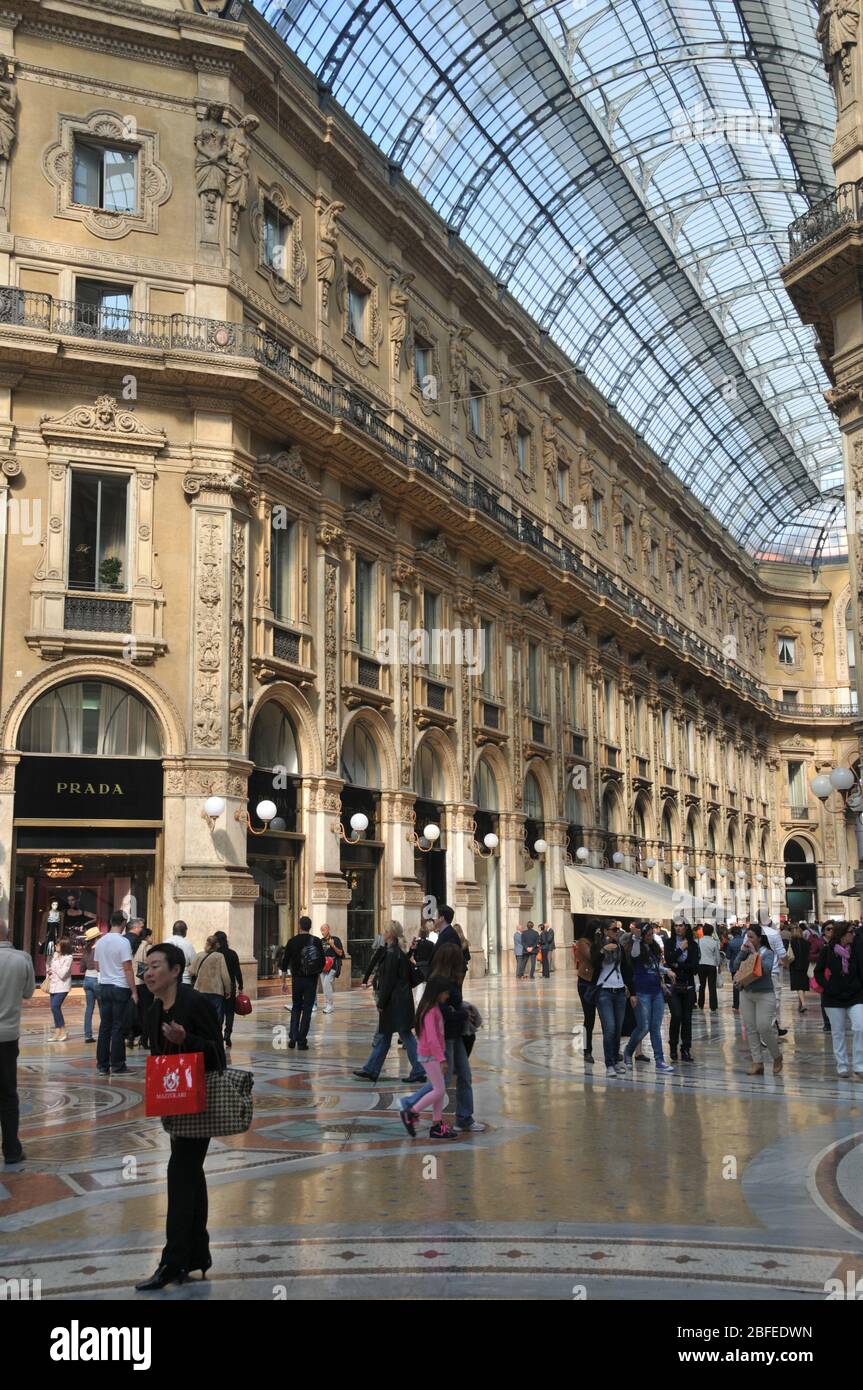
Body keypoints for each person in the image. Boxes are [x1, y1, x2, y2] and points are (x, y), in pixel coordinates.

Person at [135, 942, 226, 1291]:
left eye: (156, 966)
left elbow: (217, 1054)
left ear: (176, 971)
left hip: (198, 1104)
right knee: (191, 1176)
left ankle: (172, 1263)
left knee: (179, 1176)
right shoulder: (155, 1006)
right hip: (175, 1105)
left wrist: (186, 1038)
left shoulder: (194, 1003)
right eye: (147, 967)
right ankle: (197, 1255)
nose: (149, 972)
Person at [401, 941, 475, 1131]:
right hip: (437, 1049)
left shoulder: (441, 992)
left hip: (446, 1042)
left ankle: (442, 1122)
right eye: (445, 994)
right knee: (440, 1086)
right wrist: (462, 1013)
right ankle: (411, 1109)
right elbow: (433, 1035)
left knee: (445, 1084)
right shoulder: (434, 1004)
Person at [354, 922, 425, 1083]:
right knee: (387, 1036)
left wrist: (381, 1003)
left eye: (385, 931)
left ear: (390, 934)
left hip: (395, 1003)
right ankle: (371, 1069)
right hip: (400, 1001)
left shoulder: (392, 953)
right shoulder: (395, 951)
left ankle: (418, 1069)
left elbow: (389, 981)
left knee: (402, 1036)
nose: (383, 933)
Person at [398, 975, 458, 1140]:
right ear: (437, 992)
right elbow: (431, 1038)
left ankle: (436, 1125)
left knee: (438, 1089)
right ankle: (411, 1112)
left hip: (432, 1055)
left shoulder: (433, 1007)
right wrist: (442, 1059)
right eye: (445, 993)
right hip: (429, 1056)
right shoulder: (430, 1011)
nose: (447, 996)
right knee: (439, 1090)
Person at [0, 921, 35, 1166]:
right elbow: (29, 992)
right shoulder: (21, 958)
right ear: (7, 933)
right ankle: (12, 1150)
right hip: (7, 1036)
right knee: (8, 1094)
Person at [624, 922, 675, 1073]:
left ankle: (659, 1060)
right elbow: (634, 955)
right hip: (642, 991)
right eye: (647, 934)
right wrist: (638, 939)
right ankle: (628, 1051)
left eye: (651, 934)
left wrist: (666, 972)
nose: (650, 937)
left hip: (656, 991)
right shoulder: (637, 947)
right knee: (643, 1026)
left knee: (655, 1027)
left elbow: (654, 966)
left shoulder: (653, 948)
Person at [815, 923, 863, 1079]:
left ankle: (859, 1065)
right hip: (833, 997)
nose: (853, 935)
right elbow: (818, 972)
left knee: (860, 1027)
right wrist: (828, 987)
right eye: (851, 932)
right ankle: (842, 1065)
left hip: (854, 995)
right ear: (843, 934)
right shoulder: (827, 951)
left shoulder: (855, 950)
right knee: (838, 1032)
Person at [94, 911, 138, 1076]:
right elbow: (127, 968)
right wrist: (134, 991)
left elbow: (97, 966)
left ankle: (102, 1065)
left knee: (105, 1026)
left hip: (104, 986)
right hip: (120, 987)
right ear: (124, 922)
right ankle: (118, 1065)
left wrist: (107, 970)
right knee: (118, 1027)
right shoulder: (123, 942)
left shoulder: (101, 941)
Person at [735, 924, 782, 1076]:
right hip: (746, 992)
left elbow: (766, 970)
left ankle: (776, 1056)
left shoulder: (768, 953)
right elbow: (735, 966)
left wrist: (755, 954)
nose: (748, 939)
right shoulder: (745, 952)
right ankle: (757, 1062)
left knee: (764, 1027)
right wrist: (742, 953)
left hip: (764, 993)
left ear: (759, 939)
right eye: (747, 936)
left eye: (751, 937)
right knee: (751, 1028)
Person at [590, 921, 635, 1078]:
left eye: (617, 929)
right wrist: (603, 951)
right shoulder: (597, 946)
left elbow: (626, 969)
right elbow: (593, 963)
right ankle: (609, 1064)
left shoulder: (620, 946)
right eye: (614, 929)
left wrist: (631, 990)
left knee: (617, 1030)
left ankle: (615, 1061)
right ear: (605, 931)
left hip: (620, 991)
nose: (617, 931)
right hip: (604, 992)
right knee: (609, 1028)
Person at [279, 916, 324, 1049]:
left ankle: (293, 1037)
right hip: (311, 979)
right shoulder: (316, 941)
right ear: (309, 926)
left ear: (299, 926)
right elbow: (321, 961)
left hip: (297, 980)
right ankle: (302, 1040)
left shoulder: (292, 941)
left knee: (296, 1007)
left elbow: (284, 963)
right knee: (307, 1009)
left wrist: (283, 982)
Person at [666, 922, 699, 1062]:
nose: (678, 928)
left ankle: (685, 1048)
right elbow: (668, 960)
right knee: (676, 1015)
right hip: (673, 985)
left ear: (686, 927)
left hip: (688, 985)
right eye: (676, 926)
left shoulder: (693, 945)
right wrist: (680, 949)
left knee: (687, 1018)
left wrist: (678, 965)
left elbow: (694, 967)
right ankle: (673, 1046)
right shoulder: (669, 942)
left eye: (681, 926)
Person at [189, 936, 232, 1028]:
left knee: (201, 1016)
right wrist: (228, 990)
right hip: (216, 991)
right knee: (217, 1018)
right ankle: (215, 1036)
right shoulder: (219, 956)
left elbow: (191, 971)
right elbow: (225, 976)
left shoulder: (199, 955)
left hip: (200, 990)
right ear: (217, 945)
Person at [212, 931, 243, 1045]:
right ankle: (228, 1034)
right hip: (230, 985)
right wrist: (241, 986)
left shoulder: (214, 955)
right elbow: (237, 972)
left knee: (218, 1010)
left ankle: (218, 1033)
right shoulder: (232, 954)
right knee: (229, 1012)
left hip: (217, 986)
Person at [572, 922, 597, 1061]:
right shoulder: (583, 942)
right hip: (586, 981)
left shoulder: (602, 942)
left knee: (608, 1019)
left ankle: (613, 1050)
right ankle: (587, 1050)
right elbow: (592, 958)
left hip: (600, 982)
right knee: (589, 1017)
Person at [762, 918, 788, 1035]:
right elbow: (782, 953)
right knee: (774, 1002)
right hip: (772, 972)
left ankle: (775, 1028)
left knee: (762, 1002)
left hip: (757, 972)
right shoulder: (774, 934)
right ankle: (768, 1032)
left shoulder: (751, 933)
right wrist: (786, 963)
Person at [45, 937, 73, 1042]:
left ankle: (63, 1030)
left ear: (64, 946)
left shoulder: (69, 958)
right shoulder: (54, 956)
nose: (56, 946)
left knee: (55, 1006)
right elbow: (49, 968)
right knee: (53, 1008)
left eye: (58, 944)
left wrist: (55, 965)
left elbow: (62, 974)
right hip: (53, 985)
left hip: (62, 986)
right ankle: (57, 1032)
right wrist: (49, 970)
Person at [81, 925, 101, 1043]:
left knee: (89, 1008)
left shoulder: (86, 950)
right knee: (103, 1008)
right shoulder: (99, 949)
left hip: (87, 980)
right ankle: (105, 1033)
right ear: (97, 938)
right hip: (96, 979)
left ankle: (87, 1035)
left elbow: (81, 968)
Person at [319, 922, 344, 1013]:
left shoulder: (335, 939)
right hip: (323, 967)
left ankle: (330, 1005)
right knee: (324, 985)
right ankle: (327, 1004)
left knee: (327, 984)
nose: (322, 932)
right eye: (321, 930)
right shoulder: (320, 941)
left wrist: (333, 945)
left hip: (333, 966)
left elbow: (341, 953)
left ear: (328, 929)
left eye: (324, 930)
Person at [696, 923, 721, 1012]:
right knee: (712, 986)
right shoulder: (714, 942)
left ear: (703, 931)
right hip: (711, 966)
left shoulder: (699, 941)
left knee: (702, 986)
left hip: (701, 965)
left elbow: (697, 954)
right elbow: (717, 956)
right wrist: (718, 964)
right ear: (711, 932)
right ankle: (713, 1006)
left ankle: (701, 1004)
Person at [788, 921, 811, 1014]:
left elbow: (788, 955)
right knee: (802, 985)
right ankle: (800, 1004)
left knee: (798, 986)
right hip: (805, 966)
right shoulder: (806, 943)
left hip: (795, 966)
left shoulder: (791, 943)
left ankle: (804, 1004)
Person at [168, 921, 197, 985]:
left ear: (173, 930)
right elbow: (195, 963)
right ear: (185, 931)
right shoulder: (188, 945)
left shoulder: (165, 943)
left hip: (167, 980)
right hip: (184, 981)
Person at [725, 924, 745, 1011]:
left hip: (734, 967)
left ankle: (736, 1004)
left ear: (732, 933)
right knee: (745, 985)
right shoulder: (745, 941)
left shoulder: (730, 943)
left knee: (736, 985)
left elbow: (728, 956)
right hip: (745, 966)